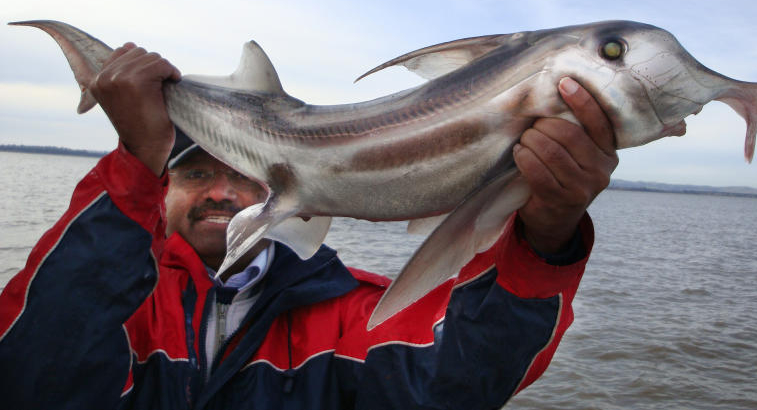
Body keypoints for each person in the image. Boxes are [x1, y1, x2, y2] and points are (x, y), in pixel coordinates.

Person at [0, 42, 618, 409]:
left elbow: (455, 387)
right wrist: (134, 161)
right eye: (192, 175)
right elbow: (32, 377)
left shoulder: (349, 312)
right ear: (159, 192)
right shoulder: (119, 302)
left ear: (279, 188)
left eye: (242, 175)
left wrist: (545, 237)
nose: (220, 192)